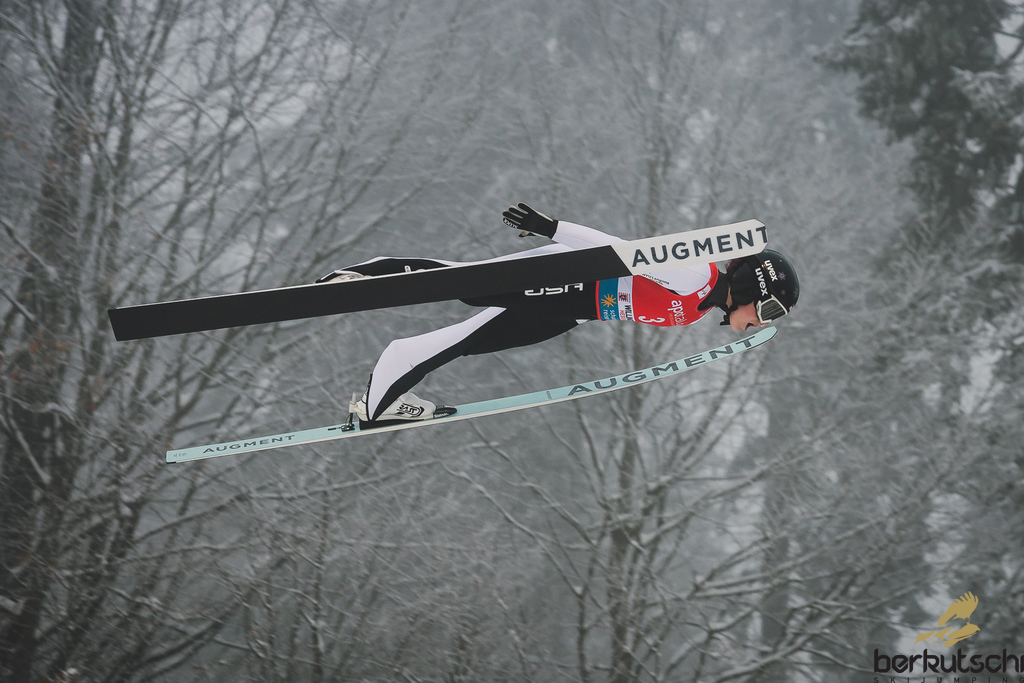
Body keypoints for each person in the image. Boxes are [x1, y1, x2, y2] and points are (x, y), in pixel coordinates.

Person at [317, 203, 800, 424]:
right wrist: (553, 228)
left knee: (472, 338)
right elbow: (618, 249)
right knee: (467, 285)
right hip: (569, 280)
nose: (763, 320)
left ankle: (388, 382)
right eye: (770, 308)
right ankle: (364, 275)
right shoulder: (696, 276)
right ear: (751, 287)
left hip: (573, 311)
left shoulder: (697, 308)